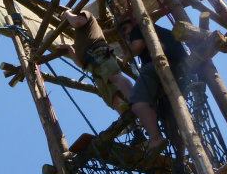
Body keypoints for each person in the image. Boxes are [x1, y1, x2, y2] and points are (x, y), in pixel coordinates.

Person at [56, 9, 165, 152]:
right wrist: (70, 50)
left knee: (115, 77)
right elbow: (81, 63)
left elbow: (76, 21)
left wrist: (67, 13)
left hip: (100, 54)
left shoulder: (86, 16)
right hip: (93, 67)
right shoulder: (80, 37)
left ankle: (136, 100)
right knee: (113, 99)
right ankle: (137, 131)